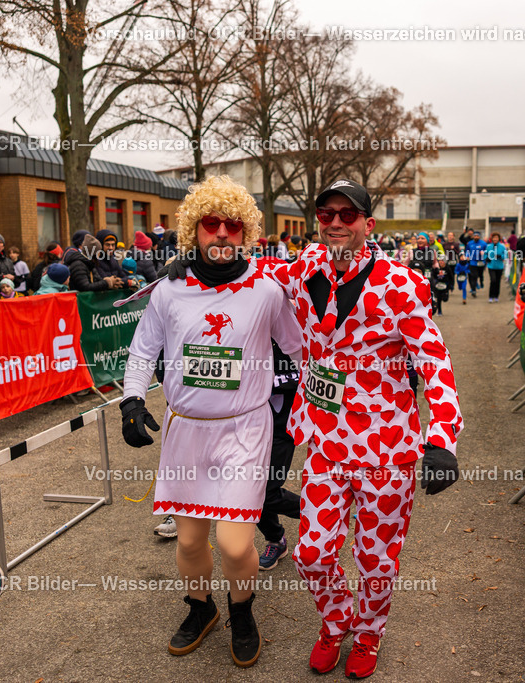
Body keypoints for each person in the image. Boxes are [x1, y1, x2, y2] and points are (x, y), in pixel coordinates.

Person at [257, 178, 463, 678]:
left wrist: (443, 438)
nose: (335, 222)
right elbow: (252, 274)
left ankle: (369, 633)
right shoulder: (304, 267)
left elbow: (434, 361)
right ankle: (336, 621)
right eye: (326, 213)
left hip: (386, 450)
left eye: (347, 215)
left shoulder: (402, 284)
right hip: (325, 442)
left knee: (375, 561)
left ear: (368, 225)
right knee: (311, 554)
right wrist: (192, 273)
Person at [119, 175, 302, 668]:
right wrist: (132, 402)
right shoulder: (170, 289)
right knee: (189, 539)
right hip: (187, 429)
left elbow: (302, 345)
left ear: (246, 232)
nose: (221, 233)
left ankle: (241, 610)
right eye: (210, 224)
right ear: (193, 231)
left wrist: (332, 398)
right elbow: (142, 352)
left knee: (235, 540)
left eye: (232, 225)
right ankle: (201, 610)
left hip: (244, 428)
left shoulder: (267, 288)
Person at [256, 340, 302, 570]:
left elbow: (308, 372)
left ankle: (319, 512)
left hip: (283, 426)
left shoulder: (293, 320)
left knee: (265, 492)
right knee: (250, 490)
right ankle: (276, 539)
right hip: (246, 426)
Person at [485, 232, 508, 303]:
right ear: (492, 239)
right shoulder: (488, 246)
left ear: (499, 239)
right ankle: (491, 296)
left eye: (496, 238)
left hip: (499, 267)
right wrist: (486, 258)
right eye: (494, 237)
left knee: (497, 282)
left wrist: (501, 256)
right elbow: (485, 254)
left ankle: (496, 296)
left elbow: (505, 255)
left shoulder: (502, 246)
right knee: (493, 280)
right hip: (491, 266)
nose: (495, 239)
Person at [465, 230, 488, 297]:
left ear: (479, 237)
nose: (476, 237)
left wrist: (484, 253)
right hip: (473, 262)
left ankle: (481, 281)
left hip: (481, 262)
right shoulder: (470, 243)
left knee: (480, 274)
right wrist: (467, 256)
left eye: (477, 236)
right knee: (473, 276)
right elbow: (467, 251)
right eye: (475, 236)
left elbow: (487, 251)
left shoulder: (483, 243)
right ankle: (473, 289)